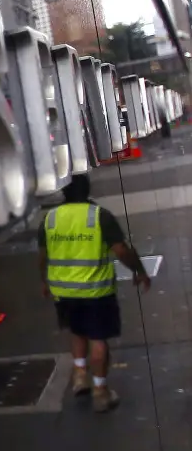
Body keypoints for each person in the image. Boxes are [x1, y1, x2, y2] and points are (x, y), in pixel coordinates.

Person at [39, 173, 150, 413]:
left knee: (77, 330)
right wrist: (139, 270)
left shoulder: (50, 219)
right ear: (87, 191)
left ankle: (80, 376)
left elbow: (42, 255)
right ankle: (100, 391)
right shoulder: (100, 216)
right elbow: (120, 250)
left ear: (64, 192)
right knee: (98, 339)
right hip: (95, 290)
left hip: (63, 291)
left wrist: (44, 282)